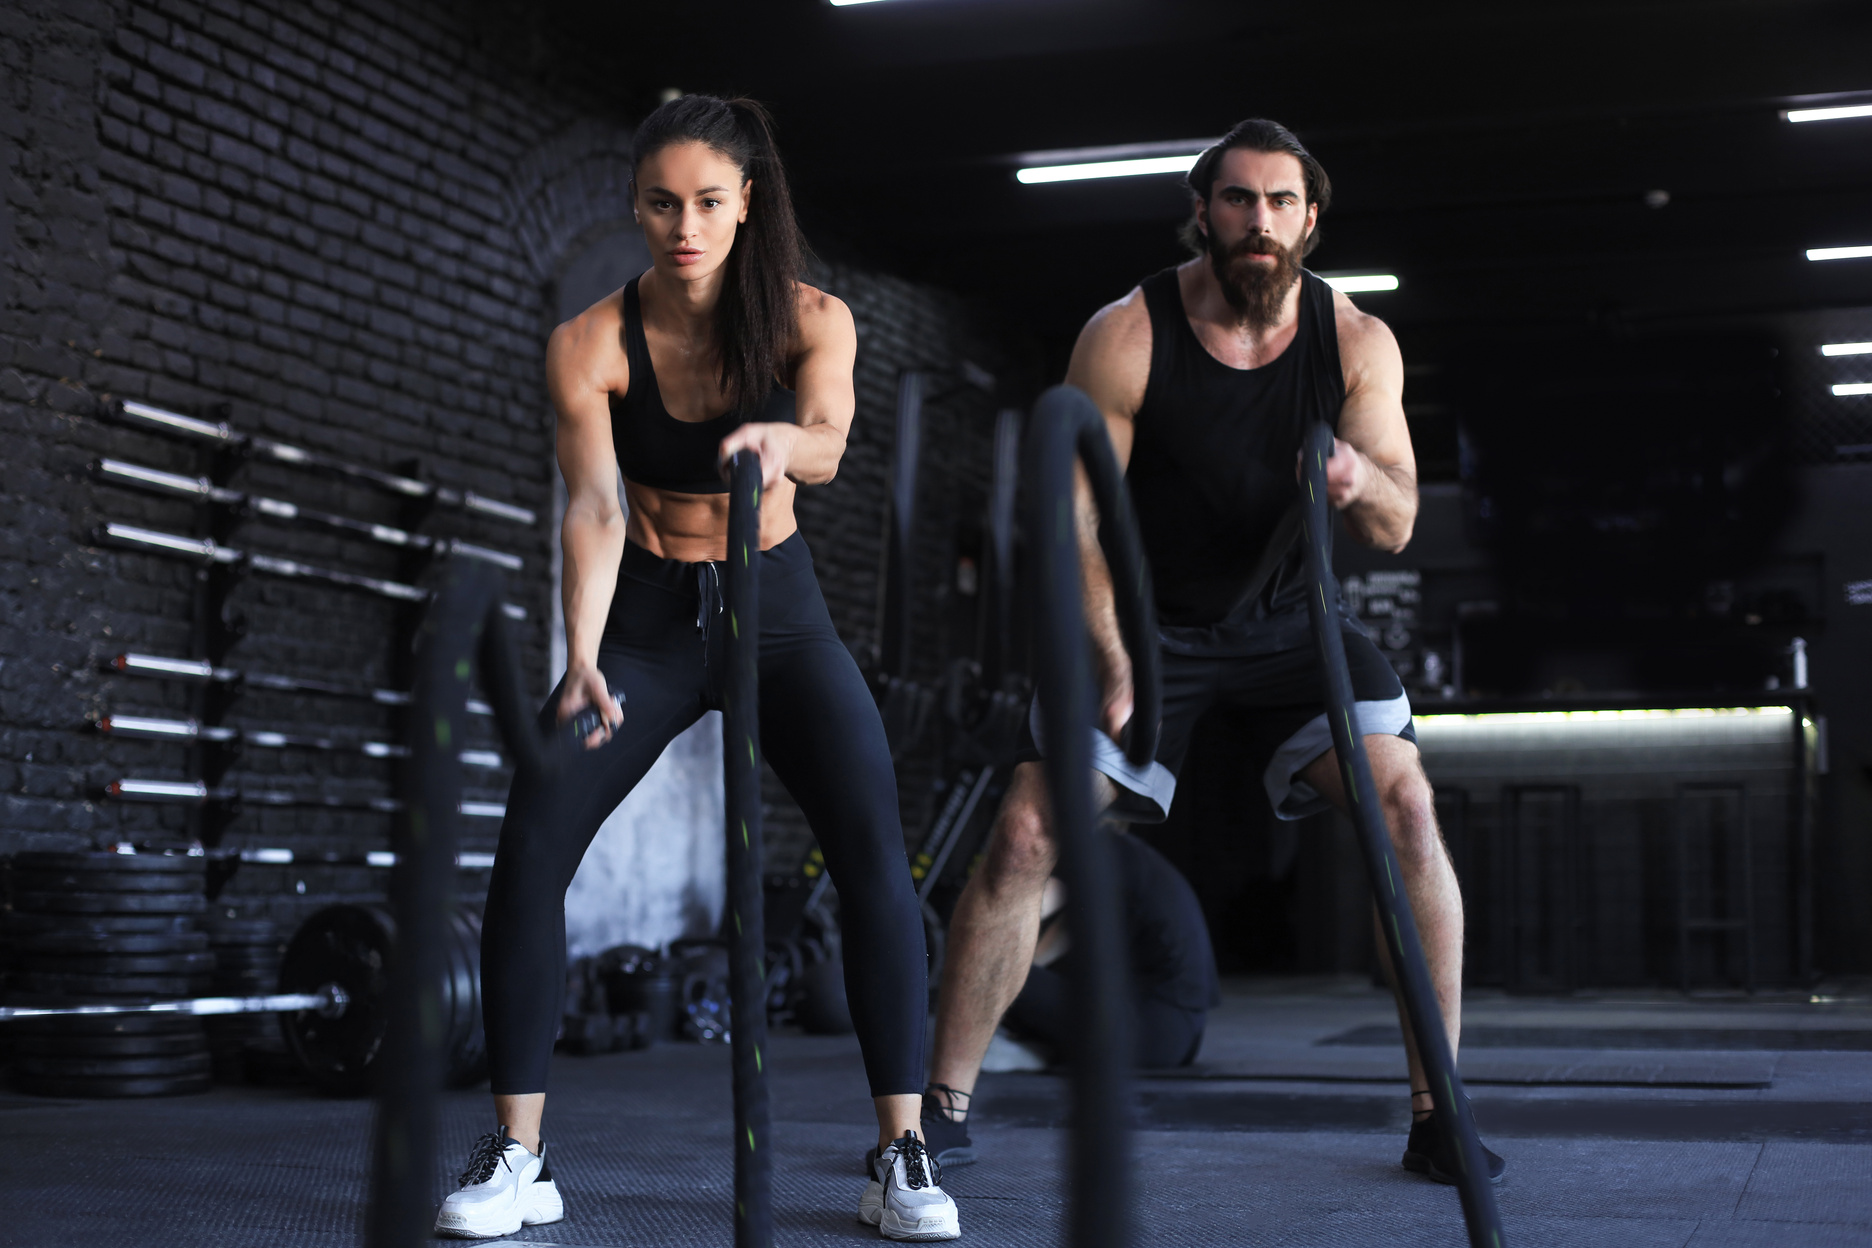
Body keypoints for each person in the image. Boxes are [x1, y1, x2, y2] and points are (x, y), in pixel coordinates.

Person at [924, 118, 1505, 1187]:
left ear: (1311, 221)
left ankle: (1438, 1116)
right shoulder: (1129, 334)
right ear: (1204, 212)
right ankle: (939, 1113)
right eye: (1238, 200)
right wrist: (1110, 656)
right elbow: (1078, 523)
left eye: (1281, 203)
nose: (1259, 222)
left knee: (1409, 811)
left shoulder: (1358, 343)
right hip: (1145, 625)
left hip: (1294, 628)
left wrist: (1354, 482)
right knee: (1023, 833)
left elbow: (1401, 519)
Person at [434, 95, 958, 1242]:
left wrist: (783, 444)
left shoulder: (813, 321)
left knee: (875, 851)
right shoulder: (590, 342)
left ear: (745, 206)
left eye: (709, 203)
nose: (685, 225)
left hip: (780, 611)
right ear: (638, 202)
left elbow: (824, 440)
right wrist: (577, 657)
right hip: (647, 623)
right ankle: (521, 1156)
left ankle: (901, 1153)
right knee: (532, 840)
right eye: (664, 202)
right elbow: (591, 505)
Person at [1000, 832, 1221, 1075]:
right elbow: (1057, 938)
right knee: (1010, 971)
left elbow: (1020, 911)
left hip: (1144, 1030)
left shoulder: (1094, 850)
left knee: (987, 965)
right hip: (1177, 1038)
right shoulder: (1124, 854)